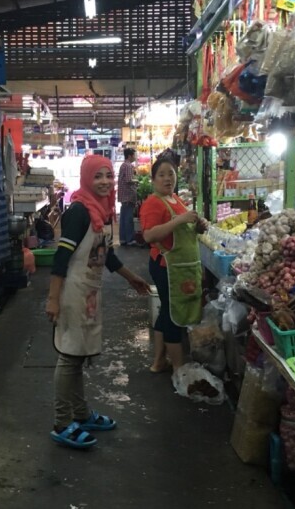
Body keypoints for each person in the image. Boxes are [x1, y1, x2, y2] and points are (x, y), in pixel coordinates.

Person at [45, 155, 150, 450]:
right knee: (69, 357)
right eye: (98, 176)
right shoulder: (78, 212)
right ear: (86, 179)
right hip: (71, 293)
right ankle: (62, 422)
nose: (104, 181)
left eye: (108, 176)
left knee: (77, 357)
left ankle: (81, 414)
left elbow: (107, 255)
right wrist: (53, 299)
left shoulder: (100, 211)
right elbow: (61, 258)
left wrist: (131, 277)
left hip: (88, 292)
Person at [140, 155, 207, 373]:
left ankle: (159, 361)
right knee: (173, 315)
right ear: (153, 180)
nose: (167, 178)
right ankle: (179, 368)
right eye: (162, 175)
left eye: (171, 174)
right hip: (165, 267)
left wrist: (197, 226)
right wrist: (179, 219)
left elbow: (182, 229)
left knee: (167, 312)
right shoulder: (153, 203)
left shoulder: (175, 199)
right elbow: (149, 235)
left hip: (180, 267)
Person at [117, 148, 138, 246]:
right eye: (134, 155)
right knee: (128, 219)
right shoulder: (128, 166)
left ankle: (123, 239)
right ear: (129, 156)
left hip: (123, 196)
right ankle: (130, 240)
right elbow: (129, 180)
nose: (135, 157)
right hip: (128, 196)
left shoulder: (123, 165)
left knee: (123, 218)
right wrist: (138, 181)